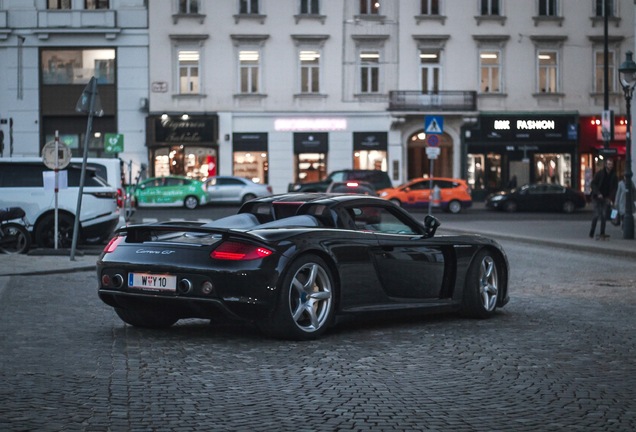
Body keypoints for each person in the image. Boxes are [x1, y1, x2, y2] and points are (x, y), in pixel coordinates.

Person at [589, 158, 618, 240]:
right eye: (609, 164)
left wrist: (610, 198)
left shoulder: (614, 176)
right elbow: (593, 184)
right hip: (597, 197)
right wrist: (598, 193)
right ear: (606, 165)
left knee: (604, 215)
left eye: (611, 164)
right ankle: (592, 231)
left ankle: (602, 232)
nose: (610, 166)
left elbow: (614, 188)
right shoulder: (600, 174)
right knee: (596, 214)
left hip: (606, 197)